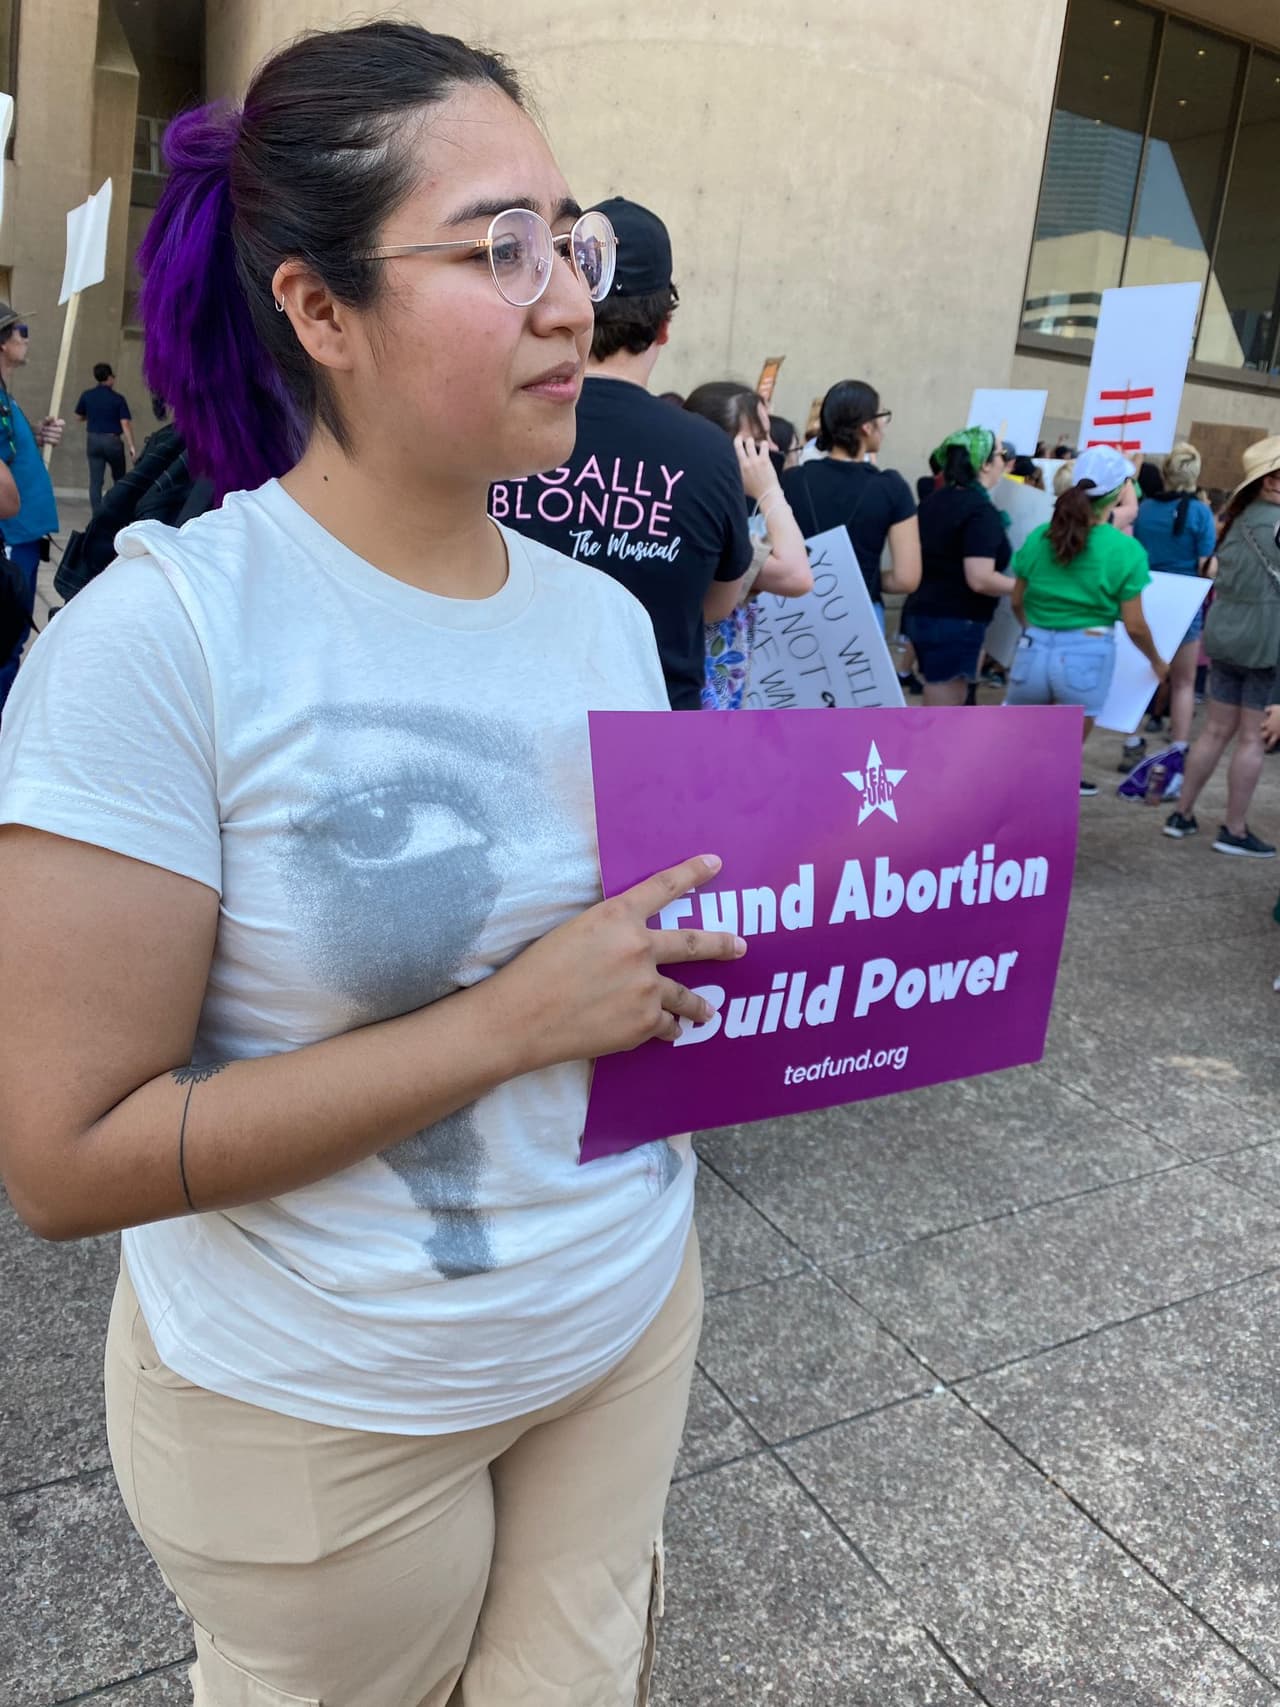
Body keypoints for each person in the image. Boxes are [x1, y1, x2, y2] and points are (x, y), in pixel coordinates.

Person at [0, 25, 749, 1705]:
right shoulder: (163, 641)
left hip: (620, 1322)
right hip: (314, 1412)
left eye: (575, 238)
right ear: (320, 312)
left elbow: (630, 964)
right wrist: (510, 1020)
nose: (567, 295)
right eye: (500, 246)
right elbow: (61, 1160)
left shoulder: (605, 624)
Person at [491, 195, 750, 709]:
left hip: (515, 722)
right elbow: (718, 605)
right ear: (664, 327)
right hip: (650, 737)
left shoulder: (497, 428)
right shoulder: (708, 451)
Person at [1005, 446, 1165, 796]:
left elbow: (1018, 601)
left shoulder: (1040, 538)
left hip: (1032, 649)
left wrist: (1035, 631)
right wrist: (1157, 661)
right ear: (1117, 492)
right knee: (1061, 761)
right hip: (1087, 654)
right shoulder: (1125, 551)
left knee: (1015, 758)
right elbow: (1135, 625)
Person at [1164, 435, 1280, 855]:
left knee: (1213, 731)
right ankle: (1234, 828)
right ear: (1271, 481)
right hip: (1265, 641)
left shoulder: (1233, 521)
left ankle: (1182, 812)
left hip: (1225, 633)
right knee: (1251, 739)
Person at [682, 382, 811, 708]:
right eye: (756, 441)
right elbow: (797, 575)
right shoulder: (710, 521)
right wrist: (769, 490)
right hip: (700, 699)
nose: (771, 448)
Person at [779, 379, 920, 626]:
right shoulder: (892, 487)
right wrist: (866, 577)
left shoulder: (792, 480)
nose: (885, 427)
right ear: (867, 426)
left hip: (793, 613)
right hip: (861, 612)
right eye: (883, 416)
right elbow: (906, 578)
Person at [902, 427, 1014, 706]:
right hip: (955, 619)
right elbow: (980, 578)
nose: (1006, 462)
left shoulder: (934, 501)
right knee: (943, 712)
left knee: (940, 700)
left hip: (924, 612)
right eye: (1001, 455)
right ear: (985, 464)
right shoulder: (979, 510)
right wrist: (1026, 586)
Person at [1133, 441, 1217, 766]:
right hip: (1184, 602)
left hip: (1145, 595)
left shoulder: (1146, 507)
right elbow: (1204, 564)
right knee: (1183, 682)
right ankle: (1178, 749)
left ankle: (1132, 740)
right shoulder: (1200, 512)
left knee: (1142, 672)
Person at [0, 306, 64, 716]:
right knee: (6, 641)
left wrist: (36, 434)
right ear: (2, 343)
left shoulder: (6, 397)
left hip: (23, 536)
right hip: (11, 537)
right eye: (20, 332)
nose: (26, 339)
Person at [75, 361, 136, 512]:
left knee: (95, 481)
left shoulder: (87, 395)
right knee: (119, 479)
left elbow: (79, 416)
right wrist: (131, 446)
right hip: (112, 441)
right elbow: (125, 424)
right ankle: (118, 511)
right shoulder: (118, 399)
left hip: (93, 440)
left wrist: (93, 417)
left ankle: (97, 515)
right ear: (109, 378)